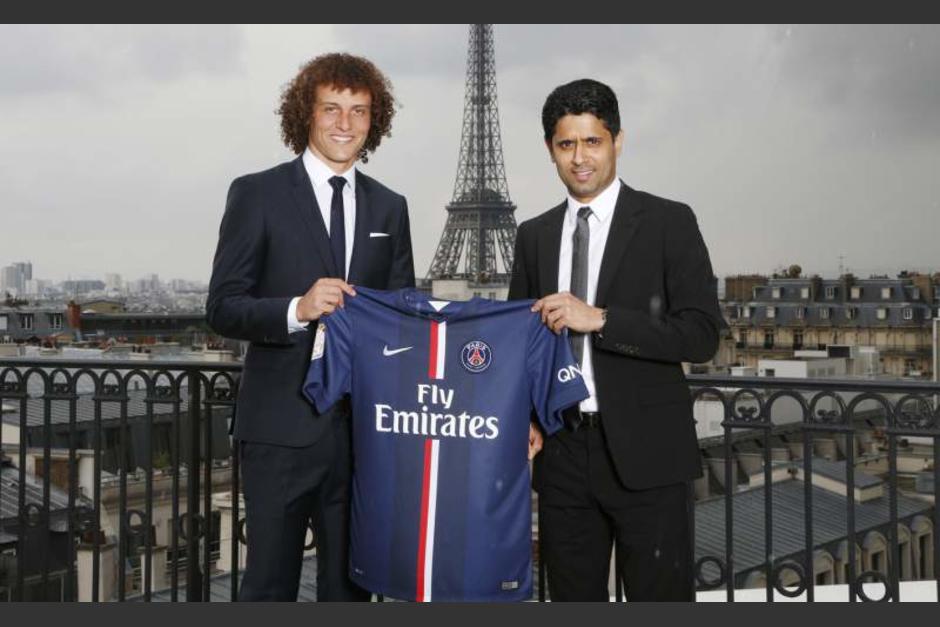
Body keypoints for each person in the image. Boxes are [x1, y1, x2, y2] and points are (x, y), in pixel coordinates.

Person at [206, 52, 415, 601]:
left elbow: (404, 319)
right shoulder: (257, 193)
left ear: (374, 121)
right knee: (269, 586)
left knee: (352, 590)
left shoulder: (390, 207)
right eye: (331, 108)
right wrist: (297, 309)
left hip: (363, 436)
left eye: (359, 110)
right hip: (279, 432)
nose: (345, 123)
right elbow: (222, 307)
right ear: (306, 113)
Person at [508, 78, 722, 601]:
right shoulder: (533, 235)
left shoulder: (668, 222)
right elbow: (521, 345)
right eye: (566, 144)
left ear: (618, 141)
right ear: (550, 149)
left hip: (649, 453)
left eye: (593, 141)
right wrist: (528, 416)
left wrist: (601, 319)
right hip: (562, 453)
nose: (580, 158)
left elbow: (701, 336)